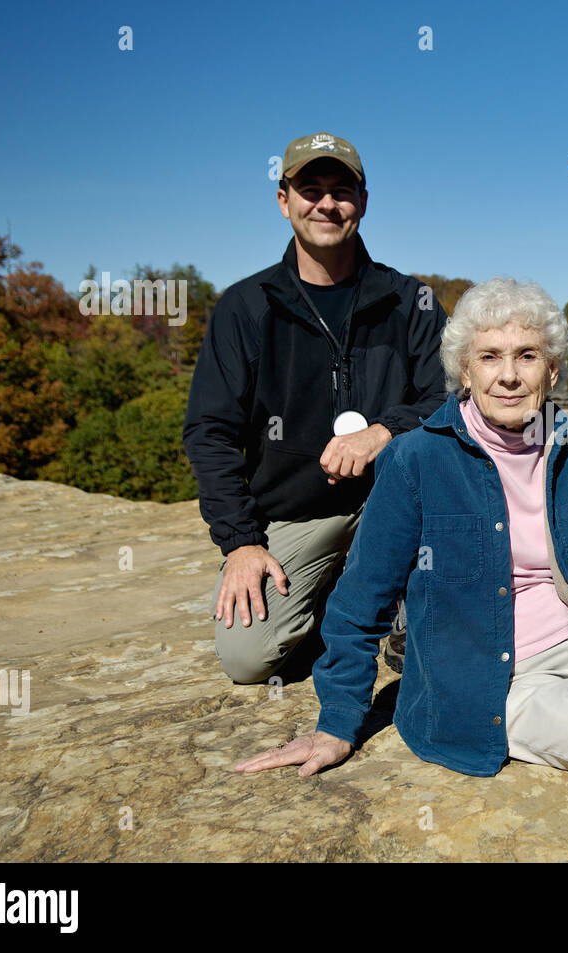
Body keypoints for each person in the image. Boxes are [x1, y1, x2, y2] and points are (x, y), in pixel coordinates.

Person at [234, 277, 568, 826]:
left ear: (552, 370)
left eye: (527, 355)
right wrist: (338, 720)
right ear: (466, 372)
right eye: (489, 356)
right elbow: (362, 596)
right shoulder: (417, 461)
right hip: (498, 680)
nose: (508, 374)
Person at [182, 131, 446, 684]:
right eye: (311, 188)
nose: (327, 203)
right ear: (284, 200)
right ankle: (336, 592)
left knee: (447, 638)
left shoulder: (411, 302)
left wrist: (383, 432)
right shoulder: (246, 307)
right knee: (247, 659)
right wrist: (242, 543)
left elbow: (451, 401)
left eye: (341, 189)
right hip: (297, 516)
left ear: (363, 200)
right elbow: (211, 432)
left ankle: (401, 601)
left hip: (400, 507)